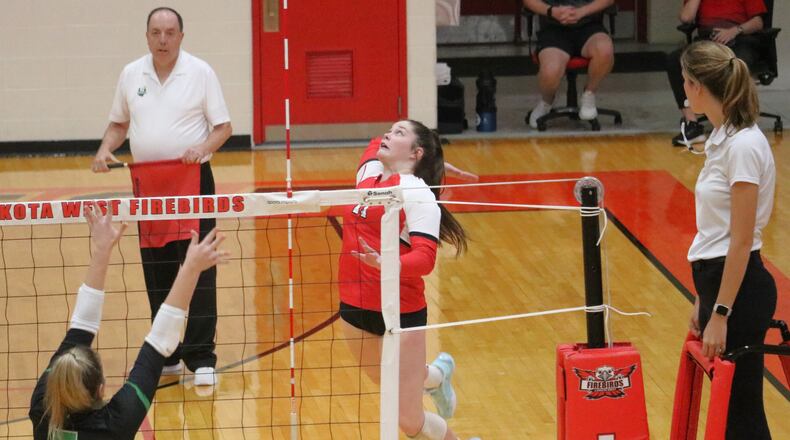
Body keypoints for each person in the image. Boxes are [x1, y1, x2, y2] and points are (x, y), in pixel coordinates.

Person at [91, 7, 232, 386]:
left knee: (198, 263)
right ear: (147, 36)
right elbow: (119, 124)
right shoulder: (130, 74)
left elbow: (223, 127)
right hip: (149, 186)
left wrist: (201, 147)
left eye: (170, 32)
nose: (163, 39)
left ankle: (201, 357)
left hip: (193, 181)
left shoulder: (200, 72)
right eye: (156, 32)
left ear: (181, 36)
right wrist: (106, 148)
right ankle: (166, 352)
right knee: (157, 267)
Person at [28, 205, 229, 440]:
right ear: (100, 389)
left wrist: (190, 269)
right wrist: (192, 268)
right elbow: (154, 341)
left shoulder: (42, 410)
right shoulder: (115, 424)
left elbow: (158, 341)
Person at [339, 120, 479, 440]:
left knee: (407, 419)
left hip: (402, 314)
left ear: (416, 153)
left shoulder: (417, 194)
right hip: (355, 308)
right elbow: (377, 140)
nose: (388, 135)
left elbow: (424, 258)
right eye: (391, 130)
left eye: (399, 133)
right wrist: (436, 161)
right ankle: (437, 375)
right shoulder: (368, 174)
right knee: (397, 386)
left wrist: (388, 263)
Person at [683, 40, 776, 439]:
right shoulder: (723, 137)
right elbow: (713, 231)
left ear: (700, 87)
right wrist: (702, 299)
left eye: (685, 82)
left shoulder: (742, 146)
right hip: (718, 284)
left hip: (739, 290)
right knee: (735, 411)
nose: (683, 90)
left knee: (742, 412)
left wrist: (720, 312)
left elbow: (739, 241)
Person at [666, 0, 766, 146]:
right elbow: (686, 17)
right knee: (675, 59)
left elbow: (758, 22)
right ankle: (692, 126)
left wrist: (735, 31)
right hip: (708, 40)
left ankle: (737, 122)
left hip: (738, 37)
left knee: (737, 62)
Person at [523, 0, 615, 128]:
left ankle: (589, 94)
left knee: (605, 50)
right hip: (553, 28)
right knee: (550, 71)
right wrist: (551, 11)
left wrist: (582, 12)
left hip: (589, 26)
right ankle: (546, 101)